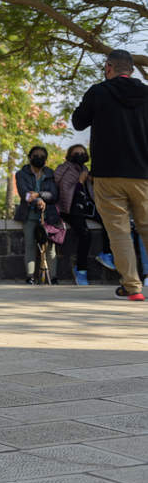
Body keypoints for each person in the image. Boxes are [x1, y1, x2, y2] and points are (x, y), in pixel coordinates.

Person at [71, 48, 148, 300]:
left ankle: (132, 287)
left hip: (107, 174)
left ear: (108, 67)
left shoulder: (98, 91)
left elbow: (78, 122)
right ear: (133, 70)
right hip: (143, 174)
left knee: (118, 231)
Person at [54, 144, 113, 285]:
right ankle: (80, 271)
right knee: (86, 236)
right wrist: (80, 181)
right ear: (70, 155)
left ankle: (106, 253)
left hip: (85, 207)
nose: (80, 156)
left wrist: (89, 181)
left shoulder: (84, 169)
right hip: (70, 209)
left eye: (82, 153)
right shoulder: (65, 169)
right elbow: (65, 193)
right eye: (76, 153)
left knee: (108, 220)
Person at [15, 146, 61, 284]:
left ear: (46, 159)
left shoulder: (50, 174)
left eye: (42, 156)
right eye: (35, 156)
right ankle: (30, 277)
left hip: (48, 216)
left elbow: (53, 194)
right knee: (30, 245)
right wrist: (38, 200)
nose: (39, 158)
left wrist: (39, 194)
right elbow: (25, 194)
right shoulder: (21, 174)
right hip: (28, 215)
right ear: (29, 157)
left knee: (50, 248)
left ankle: (52, 277)